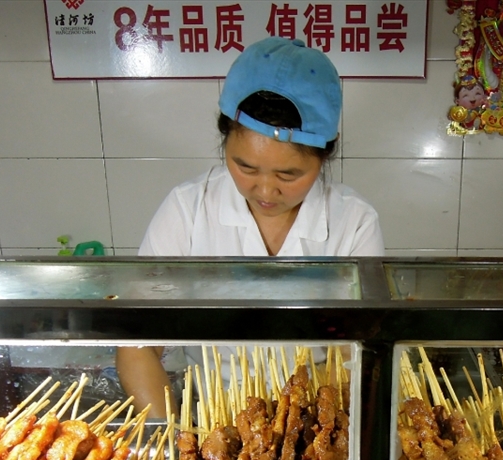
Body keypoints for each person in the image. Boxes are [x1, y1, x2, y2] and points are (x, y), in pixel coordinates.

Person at [117, 36, 384, 417]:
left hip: (313, 420)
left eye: (288, 174)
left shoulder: (354, 222)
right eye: (245, 167)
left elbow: (354, 356)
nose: (265, 190)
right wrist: (173, 438)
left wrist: (322, 428)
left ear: (326, 153)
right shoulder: (187, 209)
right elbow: (137, 344)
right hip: (211, 418)